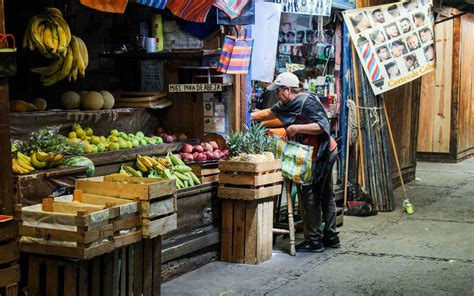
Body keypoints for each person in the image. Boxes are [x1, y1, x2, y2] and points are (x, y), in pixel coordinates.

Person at [251, 72, 340, 252]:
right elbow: (269, 113)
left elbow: (323, 126)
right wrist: (249, 116)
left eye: (279, 91)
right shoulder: (286, 104)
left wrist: (296, 127)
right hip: (312, 152)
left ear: (288, 89)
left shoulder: (307, 102)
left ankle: (315, 241)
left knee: (312, 194)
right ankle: (331, 237)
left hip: (322, 152)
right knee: (325, 193)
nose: (276, 95)